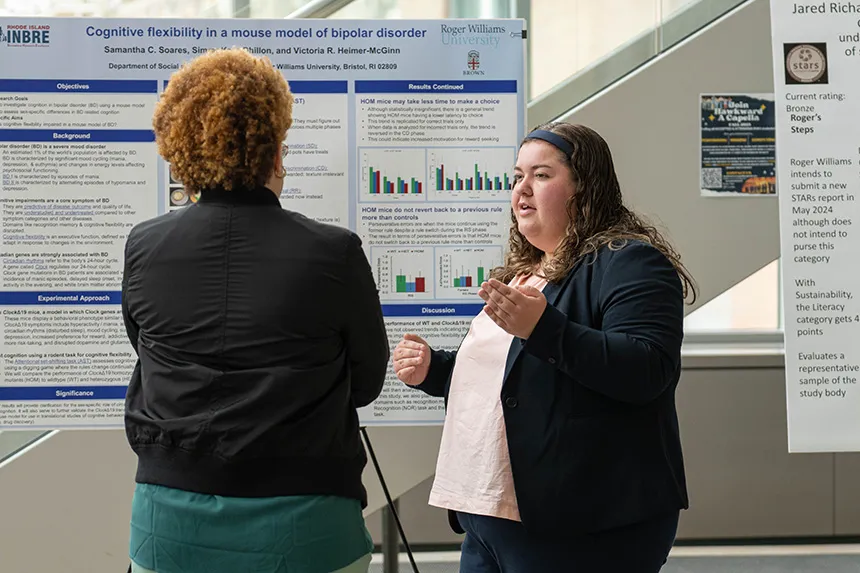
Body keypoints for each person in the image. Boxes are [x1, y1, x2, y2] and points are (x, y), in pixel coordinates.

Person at [121, 48, 389, 573]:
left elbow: (146, 351)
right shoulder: (333, 252)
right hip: (305, 523)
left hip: (170, 523)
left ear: (183, 150)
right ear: (276, 152)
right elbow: (366, 381)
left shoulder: (145, 246)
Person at [393, 122, 696, 572]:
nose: (522, 189)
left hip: (581, 522)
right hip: (488, 514)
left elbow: (647, 369)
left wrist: (543, 329)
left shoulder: (629, 261)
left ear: (584, 187)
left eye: (541, 175)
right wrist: (435, 370)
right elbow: (514, 377)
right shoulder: (525, 272)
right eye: (518, 176)